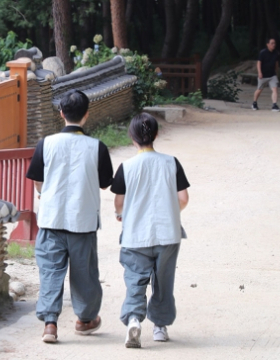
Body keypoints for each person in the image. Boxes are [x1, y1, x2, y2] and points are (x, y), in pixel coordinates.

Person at [26, 90, 113, 344]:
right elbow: (105, 183)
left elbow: (39, 183)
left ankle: (50, 325)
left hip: (51, 219)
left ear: (61, 113)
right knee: (84, 272)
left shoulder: (46, 143)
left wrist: (48, 193)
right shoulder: (97, 147)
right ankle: (85, 320)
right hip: (82, 220)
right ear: (87, 114)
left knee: (51, 271)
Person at [111, 113, 190, 348]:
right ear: (156, 135)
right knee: (164, 280)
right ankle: (160, 327)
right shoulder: (171, 162)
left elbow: (119, 202)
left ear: (132, 137)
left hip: (135, 235)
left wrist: (120, 215)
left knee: (135, 279)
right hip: (168, 234)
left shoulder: (126, 167)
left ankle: (134, 319)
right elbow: (183, 198)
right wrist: (171, 212)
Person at [252, 38, 280, 112]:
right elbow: (259, 63)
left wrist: (276, 72)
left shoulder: (276, 53)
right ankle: (254, 103)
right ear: (267, 44)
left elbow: (276, 63)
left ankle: (274, 105)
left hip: (272, 75)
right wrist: (259, 72)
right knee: (259, 90)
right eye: (272, 43)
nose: (273, 45)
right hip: (263, 75)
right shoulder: (263, 52)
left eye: (274, 43)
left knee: (275, 89)